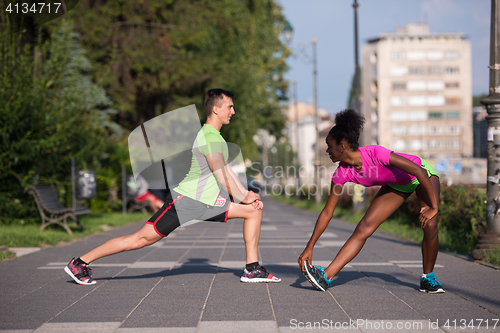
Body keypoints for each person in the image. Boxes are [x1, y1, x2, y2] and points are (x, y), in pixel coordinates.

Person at [65, 89, 281, 285]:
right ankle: (80, 263)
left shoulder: (216, 137)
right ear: (216, 109)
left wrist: (246, 195)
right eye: (230, 107)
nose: (233, 111)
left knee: (254, 211)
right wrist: (243, 196)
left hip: (207, 203)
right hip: (186, 202)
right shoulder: (209, 137)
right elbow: (221, 176)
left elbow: (227, 172)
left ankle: (252, 269)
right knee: (139, 240)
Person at [298, 109, 443, 294]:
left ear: (342, 146)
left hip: (421, 176)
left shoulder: (375, 153)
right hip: (396, 185)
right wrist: (309, 247)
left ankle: (428, 278)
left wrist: (434, 208)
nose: (327, 150)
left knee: (430, 224)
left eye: (329, 146)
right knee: (363, 228)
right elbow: (327, 212)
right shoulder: (341, 173)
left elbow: (419, 172)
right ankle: (325, 277)